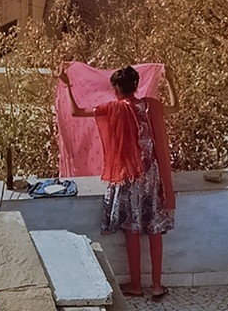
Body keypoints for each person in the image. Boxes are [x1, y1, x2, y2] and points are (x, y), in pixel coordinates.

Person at [58, 64, 177, 301]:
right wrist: (170, 81)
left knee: (132, 229)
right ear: (135, 86)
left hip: (129, 176)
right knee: (154, 228)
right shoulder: (149, 105)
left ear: (116, 88)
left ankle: (135, 285)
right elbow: (175, 107)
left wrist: (67, 85)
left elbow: (76, 112)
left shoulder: (112, 108)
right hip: (152, 174)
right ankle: (156, 285)